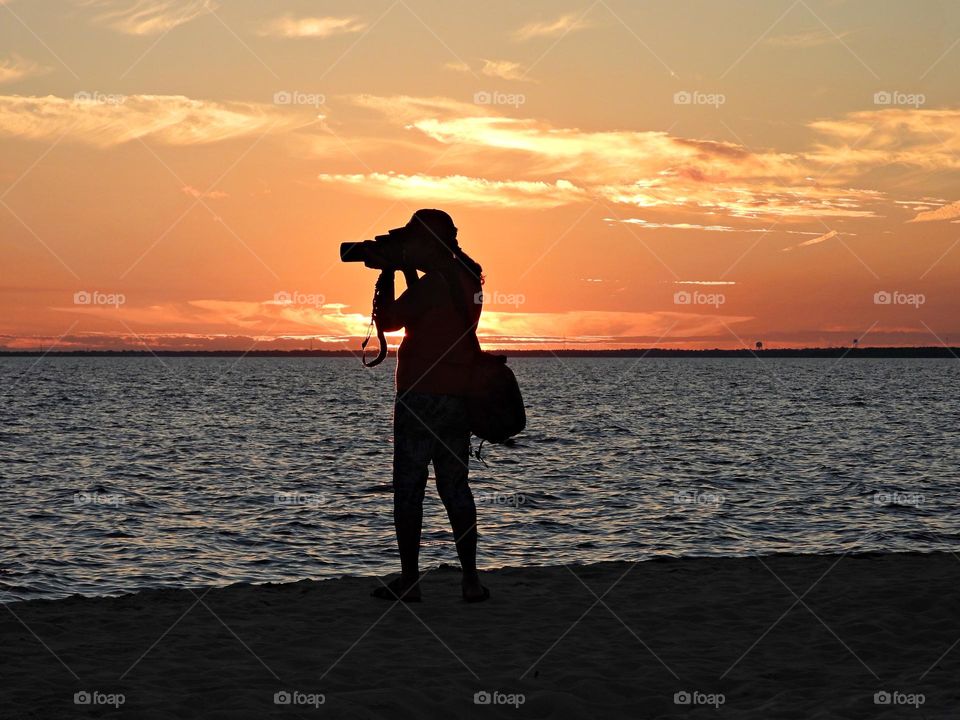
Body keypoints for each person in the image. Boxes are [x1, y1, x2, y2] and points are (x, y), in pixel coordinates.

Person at [367, 209, 490, 603]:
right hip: (456, 398)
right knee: (455, 488)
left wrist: (388, 271)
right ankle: (471, 581)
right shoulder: (468, 278)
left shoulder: (435, 284)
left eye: (413, 242)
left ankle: (410, 581)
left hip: (421, 397)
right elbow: (431, 315)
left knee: (409, 489)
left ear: (428, 245)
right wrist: (405, 267)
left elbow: (390, 321)